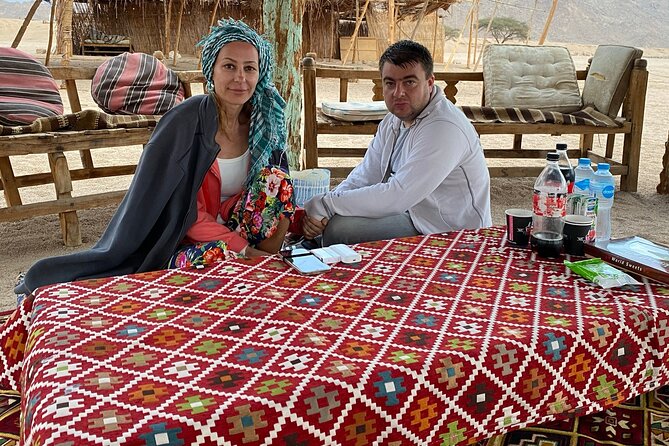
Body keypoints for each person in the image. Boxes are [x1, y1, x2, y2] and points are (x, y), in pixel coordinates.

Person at [15, 19, 294, 297]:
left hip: (238, 225)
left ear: (260, 74)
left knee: (277, 180)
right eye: (229, 66)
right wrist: (241, 248)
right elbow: (186, 212)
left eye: (249, 69)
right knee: (217, 262)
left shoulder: (263, 122)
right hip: (182, 238)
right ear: (212, 70)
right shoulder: (185, 121)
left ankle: (263, 263)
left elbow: (278, 197)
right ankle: (248, 262)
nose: (240, 78)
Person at [302, 40, 491, 246]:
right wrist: (328, 205)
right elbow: (366, 175)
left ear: (429, 83)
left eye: (409, 82)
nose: (398, 92)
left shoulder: (444, 127)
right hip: (412, 211)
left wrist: (327, 205)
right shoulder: (393, 120)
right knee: (335, 221)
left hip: (449, 229)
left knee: (341, 230)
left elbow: (397, 195)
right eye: (390, 83)